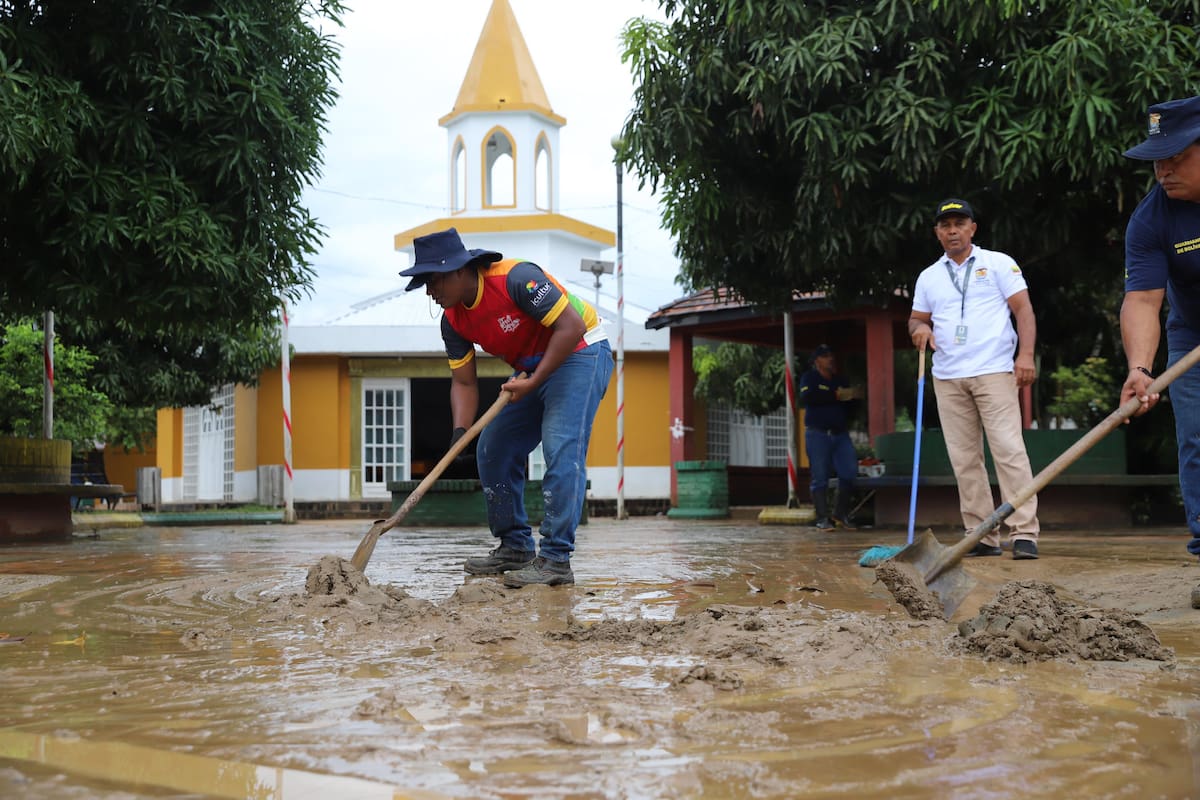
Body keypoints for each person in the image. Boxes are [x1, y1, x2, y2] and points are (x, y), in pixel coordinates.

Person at [399, 228, 613, 588]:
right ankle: (514, 546)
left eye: (432, 281)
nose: (430, 292)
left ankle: (556, 560)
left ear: (459, 270)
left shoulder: (516, 279)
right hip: (531, 369)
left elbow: (571, 326)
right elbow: (464, 382)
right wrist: (459, 434)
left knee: (561, 449)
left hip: (580, 352)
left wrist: (532, 381)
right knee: (493, 448)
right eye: (424, 285)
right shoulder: (452, 320)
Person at [908, 199, 1041, 559]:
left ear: (972, 228)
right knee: (964, 459)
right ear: (937, 232)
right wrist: (919, 330)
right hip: (948, 376)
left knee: (1009, 451)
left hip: (994, 370)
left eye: (959, 223)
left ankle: (1025, 532)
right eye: (945, 225)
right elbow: (917, 319)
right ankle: (981, 534)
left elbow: (1023, 309)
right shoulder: (929, 276)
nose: (952, 230)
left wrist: (1025, 355)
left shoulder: (998, 263)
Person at [1117, 94, 1200, 609]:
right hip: (1191, 332)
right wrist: (1140, 369)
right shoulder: (1151, 221)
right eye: (1156, 160)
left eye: (1176, 156)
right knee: (1197, 438)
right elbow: (1143, 300)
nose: (1163, 170)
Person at [799, 344, 862, 530]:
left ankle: (840, 514)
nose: (830, 359)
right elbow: (808, 397)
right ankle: (821, 518)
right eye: (825, 356)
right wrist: (834, 395)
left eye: (831, 355)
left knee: (849, 472)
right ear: (817, 360)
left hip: (840, 434)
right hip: (818, 434)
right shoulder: (809, 378)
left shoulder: (840, 380)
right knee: (820, 476)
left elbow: (850, 404)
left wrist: (853, 396)